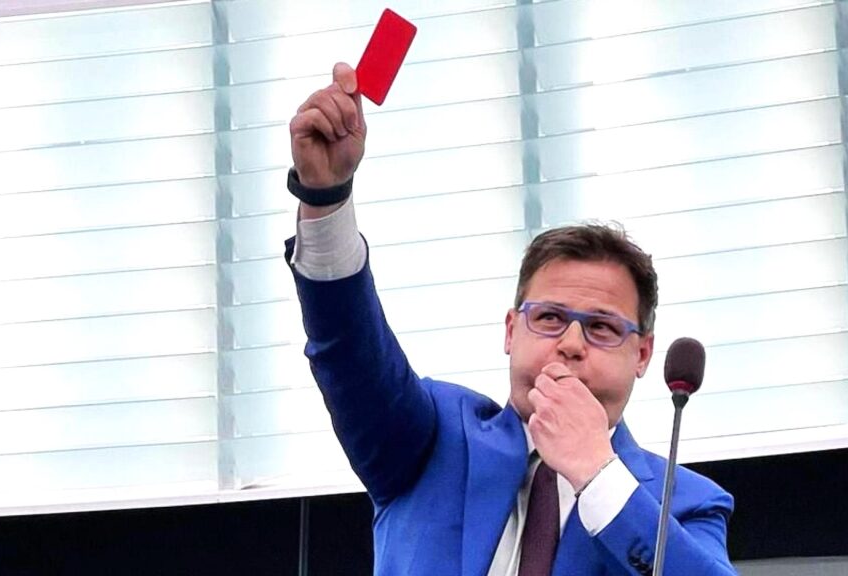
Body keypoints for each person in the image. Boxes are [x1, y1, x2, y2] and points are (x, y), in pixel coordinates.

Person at [284, 62, 736, 576]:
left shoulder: (687, 504)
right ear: (510, 330)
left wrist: (597, 472)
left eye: (602, 327)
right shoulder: (434, 438)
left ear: (643, 354)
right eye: (549, 317)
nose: (571, 343)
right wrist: (325, 198)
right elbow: (349, 350)